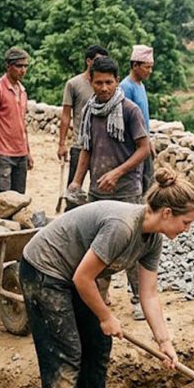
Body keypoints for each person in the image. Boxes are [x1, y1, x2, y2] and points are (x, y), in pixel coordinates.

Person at [19, 168, 194, 388]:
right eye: (185, 222)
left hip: (74, 275)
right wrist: (106, 316)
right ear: (167, 213)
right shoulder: (123, 226)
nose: (186, 229)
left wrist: (164, 342)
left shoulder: (152, 239)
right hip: (45, 271)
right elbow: (83, 278)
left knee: (98, 344)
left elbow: (148, 294)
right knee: (65, 356)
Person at [68, 56, 151, 321]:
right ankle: (99, 297)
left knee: (132, 246)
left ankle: (137, 299)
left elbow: (144, 149)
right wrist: (77, 181)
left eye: (109, 82)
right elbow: (86, 150)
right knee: (97, 246)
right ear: (90, 82)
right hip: (98, 191)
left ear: (117, 81)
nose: (104, 88)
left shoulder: (128, 111)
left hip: (127, 190)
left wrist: (118, 172)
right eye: (98, 82)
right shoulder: (90, 112)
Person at [58, 45, 108, 191]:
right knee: (73, 188)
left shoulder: (107, 86)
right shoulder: (74, 84)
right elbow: (66, 115)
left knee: (100, 189)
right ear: (88, 61)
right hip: (79, 145)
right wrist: (62, 144)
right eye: (98, 60)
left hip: (101, 146)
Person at [0, 47, 33, 194]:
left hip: (20, 153)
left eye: (25, 66)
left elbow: (22, 124)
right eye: (19, 66)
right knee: (3, 199)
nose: (23, 70)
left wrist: (28, 152)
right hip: (3, 154)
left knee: (19, 198)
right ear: (8, 66)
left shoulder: (22, 91)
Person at [120, 44, 155, 192]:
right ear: (135, 65)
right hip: (135, 144)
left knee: (149, 180)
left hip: (144, 140)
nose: (150, 71)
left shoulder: (140, 85)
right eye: (147, 67)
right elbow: (126, 119)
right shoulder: (126, 87)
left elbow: (144, 118)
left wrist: (149, 139)